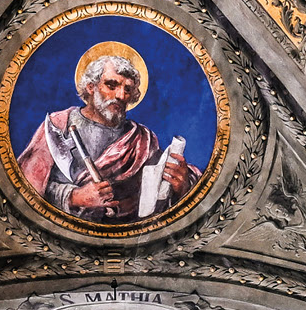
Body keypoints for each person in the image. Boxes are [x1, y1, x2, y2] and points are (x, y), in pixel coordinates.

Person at [17, 43, 192, 223]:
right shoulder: (59, 124)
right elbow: (25, 187)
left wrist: (181, 184)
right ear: (91, 87)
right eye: (111, 85)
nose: (121, 95)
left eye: (128, 89)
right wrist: (73, 197)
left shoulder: (142, 139)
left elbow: (157, 195)